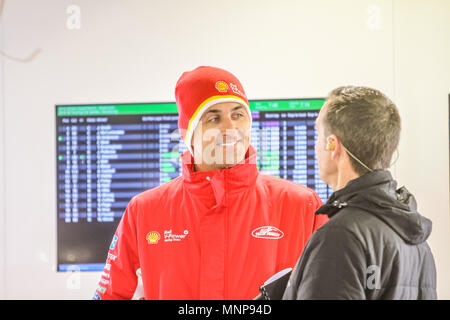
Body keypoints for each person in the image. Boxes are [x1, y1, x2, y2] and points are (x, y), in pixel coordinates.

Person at [93, 66, 328, 300]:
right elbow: (111, 294)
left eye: (238, 115)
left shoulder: (303, 206)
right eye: (213, 118)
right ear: (188, 134)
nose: (230, 128)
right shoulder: (144, 211)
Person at [282, 86, 437, 300]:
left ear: (332, 145)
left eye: (317, 134)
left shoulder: (340, 237)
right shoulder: (417, 240)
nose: (314, 145)